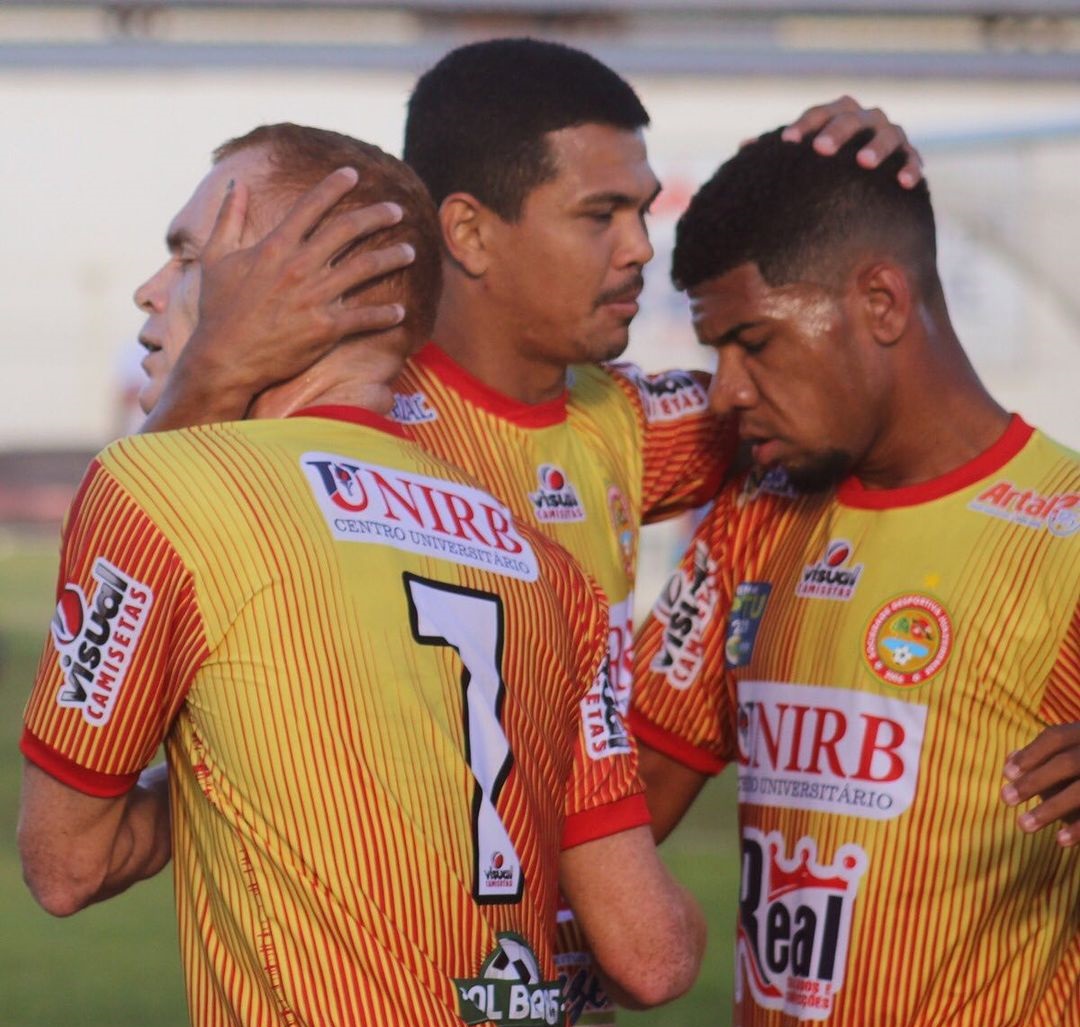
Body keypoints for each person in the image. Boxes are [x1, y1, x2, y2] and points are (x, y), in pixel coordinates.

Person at [132, 39, 920, 1025]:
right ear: (468, 230)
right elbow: (140, 546)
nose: (641, 247)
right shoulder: (327, 412)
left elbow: (848, 391)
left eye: (642, 209)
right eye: (602, 215)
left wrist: (861, 202)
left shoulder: (637, 426)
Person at [17, 123, 706, 1027]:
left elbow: (68, 863)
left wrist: (244, 784)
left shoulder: (160, 482)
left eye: (185, 256)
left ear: (292, 286)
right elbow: (651, 955)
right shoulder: (549, 571)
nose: (150, 290)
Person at [628, 127, 1080, 1025]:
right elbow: (621, 800)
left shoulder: (1062, 538)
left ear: (880, 300)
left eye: (753, 341)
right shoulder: (759, 514)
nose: (727, 390)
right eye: (717, 350)